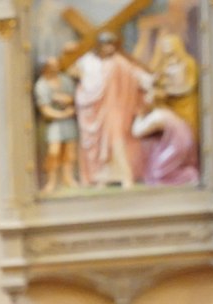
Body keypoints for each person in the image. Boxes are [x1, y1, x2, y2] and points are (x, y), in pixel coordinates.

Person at [70, 31, 153, 188]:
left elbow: (136, 75)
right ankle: (103, 176)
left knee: (116, 140)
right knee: (101, 143)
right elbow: (74, 72)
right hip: (95, 108)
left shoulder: (119, 62)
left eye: (111, 45)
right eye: (105, 45)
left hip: (114, 108)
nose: (108, 48)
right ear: (99, 46)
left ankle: (125, 176)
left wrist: (150, 81)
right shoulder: (88, 61)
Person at [133, 86, 200, 187]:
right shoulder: (168, 114)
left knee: (159, 174)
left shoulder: (159, 115)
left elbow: (137, 131)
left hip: (173, 156)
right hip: (180, 151)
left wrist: (139, 114)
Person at [32, 58, 78, 195]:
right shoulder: (42, 85)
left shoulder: (64, 80)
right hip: (54, 123)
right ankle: (51, 181)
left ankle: (68, 178)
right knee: (54, 152)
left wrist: (64, 100)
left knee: (69, 152)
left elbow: (72, 98)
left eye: (56, 66)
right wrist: (63, 113)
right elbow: (45, 109)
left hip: (68, 122)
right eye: (51, 66)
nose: (55, 68)